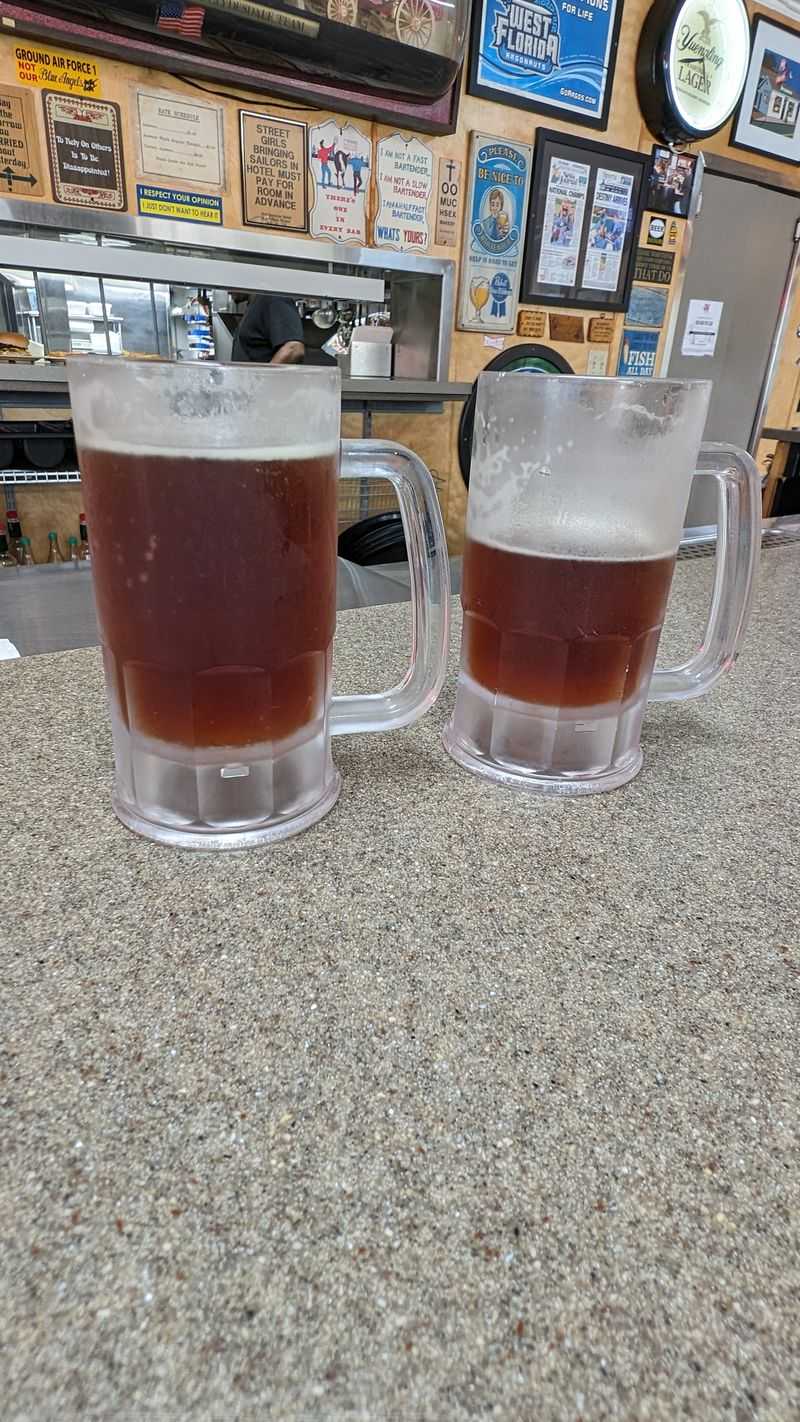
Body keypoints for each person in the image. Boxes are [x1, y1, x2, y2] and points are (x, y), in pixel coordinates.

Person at [231, 294, 305, 365]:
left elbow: (294, 349)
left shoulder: (273, 297)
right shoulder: (255, 304)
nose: (228, 291)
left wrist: (264, 377)